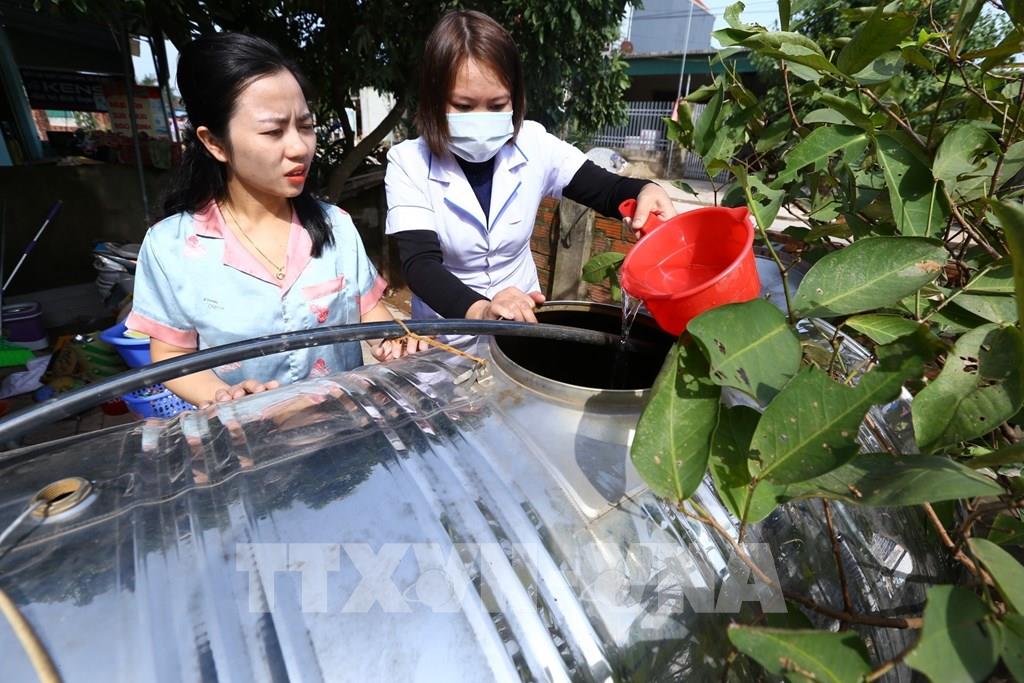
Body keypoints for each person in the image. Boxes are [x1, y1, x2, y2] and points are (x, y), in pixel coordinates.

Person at [127, 33, 426, 407]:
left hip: (344, 429)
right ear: (214, 143)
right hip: (243, 437)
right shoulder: (169, 248)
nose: (300, 147)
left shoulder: (336, 227)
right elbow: (172, 355)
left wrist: (395, 342)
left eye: (306, 126)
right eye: (273, 131)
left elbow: (372, 315)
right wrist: (223, 396)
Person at [385, 10, 677, 326]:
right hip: (448, 329)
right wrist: (482, 311)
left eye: (497, 105)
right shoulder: (408, 162)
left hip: (522, 320)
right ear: (434, 100)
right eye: (464, 106)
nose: (481, 119)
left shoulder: (534, 143)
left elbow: (606, 189)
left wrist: (645, 190)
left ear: (515, 98)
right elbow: (421, 265)